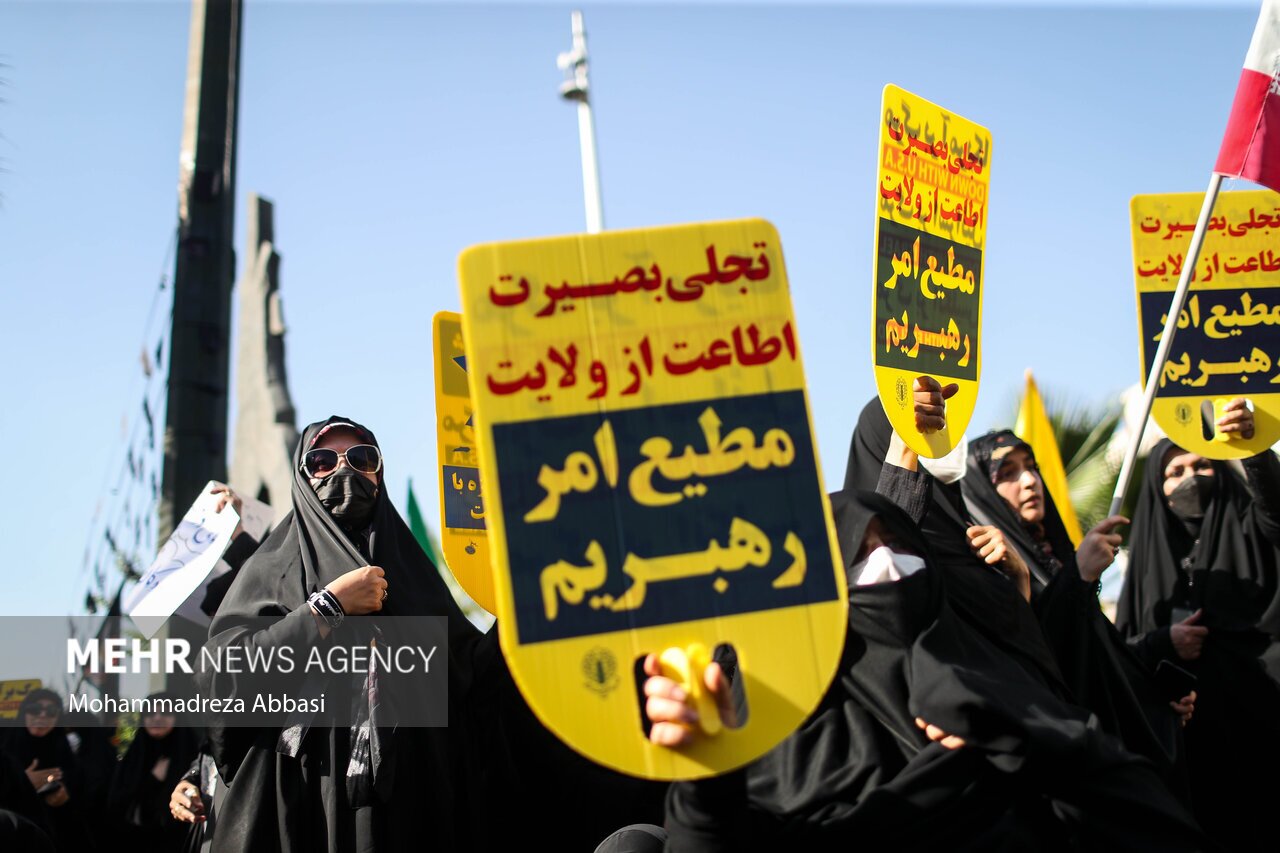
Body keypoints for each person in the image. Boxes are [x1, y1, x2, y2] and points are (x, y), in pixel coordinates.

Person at [201, 416, 485, 853]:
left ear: (379, 473)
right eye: (322, 461)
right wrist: (328, 608)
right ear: (303, 477)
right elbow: (225, 675)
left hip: (410, 805)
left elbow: (472, 678)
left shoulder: (411, 572)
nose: (343, 471)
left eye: (361, 458)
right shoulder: (271, 569)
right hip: (300, 799)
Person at [961, 430, 1193, 777]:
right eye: (1008, 473)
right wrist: (1076, 577)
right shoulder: (987, 568)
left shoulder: (1052, 557)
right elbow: (1041, 659)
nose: (1030, 481)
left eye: (1031, 467)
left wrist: (1154, 693)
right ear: (983, 492)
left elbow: (1098, 653)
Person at [1117, 398, 1280, 852]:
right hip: (1188, 755)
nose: (1190, 477)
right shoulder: (1145, 564)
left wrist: (1254, 448)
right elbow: (1122, 652)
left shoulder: (1252, 529)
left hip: (1265, 728)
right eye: (1174, 472)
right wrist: (1162, 642)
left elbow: (1275, 508)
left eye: (1202, 465)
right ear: (1157, 489)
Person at [0, 689, 97, 851]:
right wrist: (22, 783)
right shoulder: (6, 752)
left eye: (51, 712)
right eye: (35, 709)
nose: (42, 716)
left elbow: (84, 808)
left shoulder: (67, 759)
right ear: (24, 713)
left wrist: (64, 799)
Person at [106, 695, 200, 852]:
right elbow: (117, 807)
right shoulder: (135, 756)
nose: (157, 718)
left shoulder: (192, 756)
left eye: (166, 712)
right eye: (150, 713)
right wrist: (153, 779)